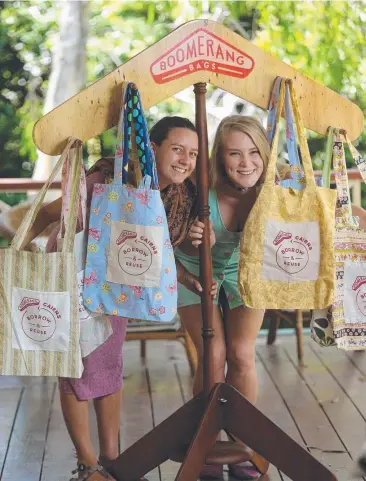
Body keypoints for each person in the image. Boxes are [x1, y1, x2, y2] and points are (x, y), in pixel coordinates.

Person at [0, 116, 216, 481]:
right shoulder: (106, 179)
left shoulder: (180, 196)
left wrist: (189, 277)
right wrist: (24, 260)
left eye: (193, 153)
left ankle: (112, 459)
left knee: (108, 364)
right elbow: (50, 216)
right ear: (153, 148)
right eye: (177, 149)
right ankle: (88, 465)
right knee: (74, 366)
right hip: (75, 275)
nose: (185, 160)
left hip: (116, 283)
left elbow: (155, 252)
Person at [176, 116, 269, 481]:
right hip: (193, 270)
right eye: (235, 153)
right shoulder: (198, 188)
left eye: (253, 153)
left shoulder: (275, 190)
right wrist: (194, 238)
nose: (246, 163)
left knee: (241, 354)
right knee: (213, 353)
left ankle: (243, 447)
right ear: (219, 156)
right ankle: (207, 446)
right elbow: (176, 239)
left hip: (246, 272)